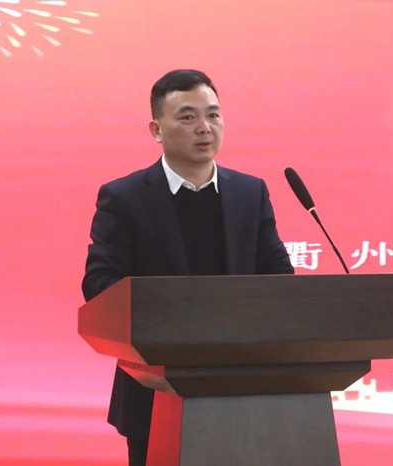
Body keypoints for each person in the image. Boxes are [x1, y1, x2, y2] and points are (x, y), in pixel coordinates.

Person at [81, 69, 293, 466]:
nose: (204, 128)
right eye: (187, 117)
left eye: (213, 115)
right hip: (155, 388)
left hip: (243, 388)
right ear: (156, 130)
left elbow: (279, 277)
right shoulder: (124, 197)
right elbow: (99, 283)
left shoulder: (250, 192)